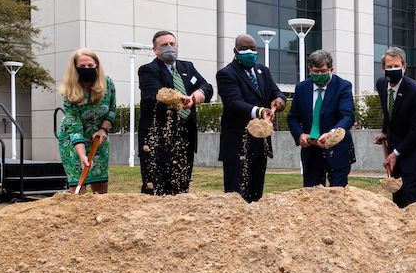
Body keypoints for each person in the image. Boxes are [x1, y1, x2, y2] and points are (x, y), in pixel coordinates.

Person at [138, 31, 213, 195]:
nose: (170, 48)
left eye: (173, 44)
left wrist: (200, 93)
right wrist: (179, 99)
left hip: (185, 136)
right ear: (155, 50)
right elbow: (153, 95)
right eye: (164, 45)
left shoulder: (188, 67)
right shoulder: (148, 70)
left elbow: (206, 86)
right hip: (157, 138)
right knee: (156, 187)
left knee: (181, 186)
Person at [216, 33, 286, 202]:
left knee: (256, 193)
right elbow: (234, 102)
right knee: (236, 196)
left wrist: (279, 100)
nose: (249, 52)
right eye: (244, 49)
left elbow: (276, 92)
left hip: (260, 143)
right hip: (237, 144)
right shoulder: (226, 74)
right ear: (235, 51)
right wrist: (260, 111)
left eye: (253, 49)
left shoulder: (263, 71)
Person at [287, 49, 356, 187]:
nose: (319, 75)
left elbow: (348, 116)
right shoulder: (301, 88)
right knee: (311, 198)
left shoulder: (343, 87)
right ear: (309, 69)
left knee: (337, 196)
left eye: (323, 71)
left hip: (337, 151)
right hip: (311, 152)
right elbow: (292, 117)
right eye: (316, 71)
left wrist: (332, 135)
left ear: (331, 69)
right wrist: (300, 135)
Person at [374, 46, 416, 207]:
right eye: (389, 67)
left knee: (411, 198)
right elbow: (389, 113)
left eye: (396, 66)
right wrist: (385, 132)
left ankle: (413, 229)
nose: (393, 69)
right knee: (397, 195)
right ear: (383, 68)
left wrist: (396, 153)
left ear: (404, 67)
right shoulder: (381, 85)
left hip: (415, 151)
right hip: (395, 145)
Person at [57, 48, 116, 193]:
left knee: (100, 181)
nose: (87, 69)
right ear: (75, 68)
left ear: (96, 65)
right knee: (78, 182)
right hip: (72, 140)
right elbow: (74, 127)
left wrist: (103, 129)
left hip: (99, 137)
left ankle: (100, 214)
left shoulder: (107, 83)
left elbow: (111, 110)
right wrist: (82, 155)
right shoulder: (69, 91)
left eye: (90, 65)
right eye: (82, 66)